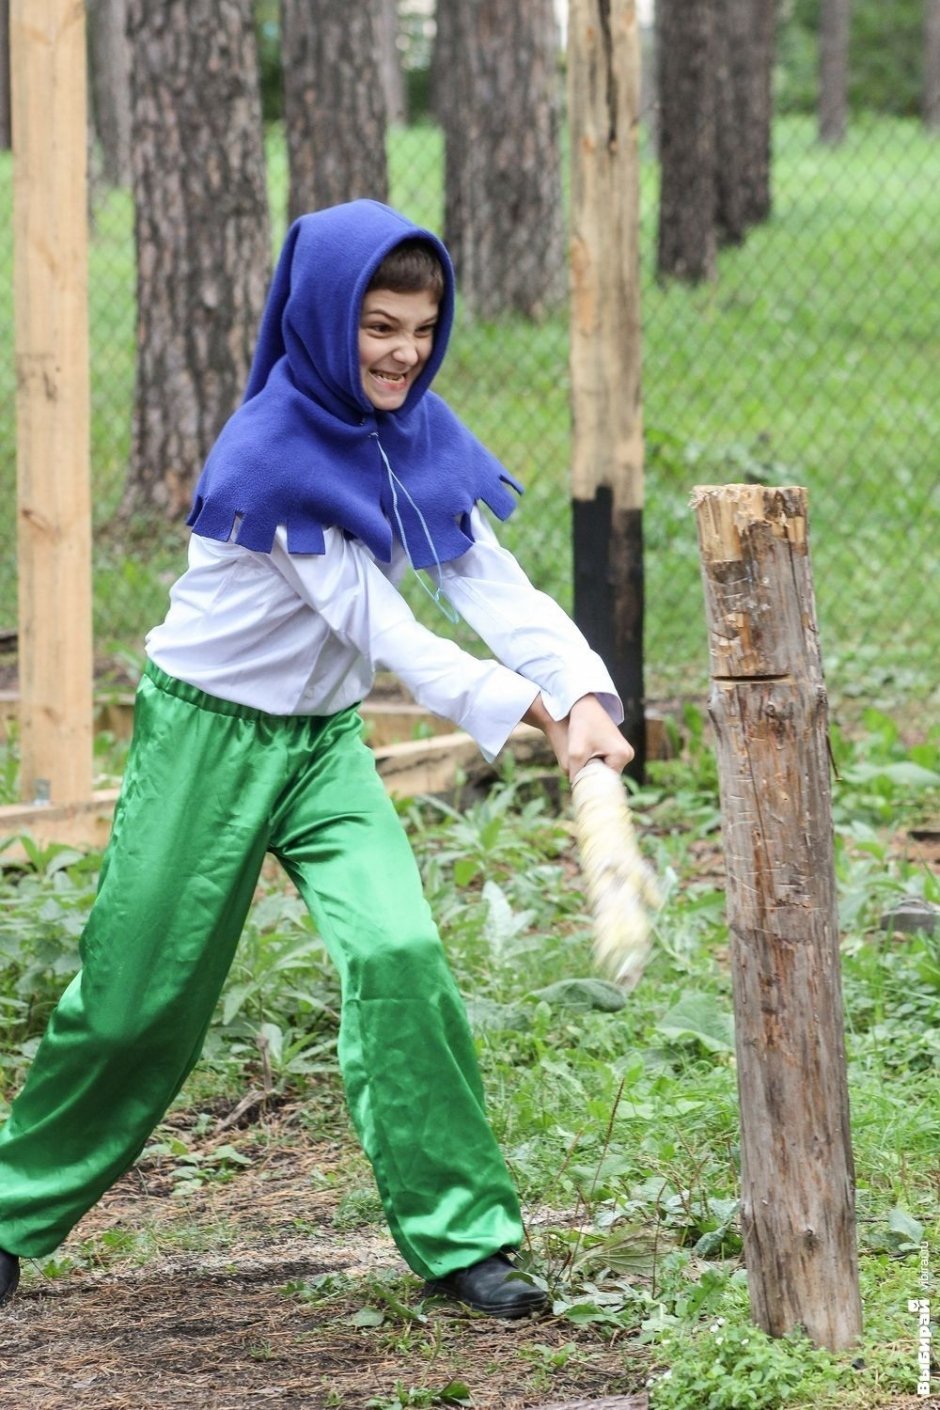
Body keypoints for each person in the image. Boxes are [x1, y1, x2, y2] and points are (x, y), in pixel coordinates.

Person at [0, 200, 632, 1319]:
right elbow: (383, 629)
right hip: (207, 736)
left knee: (399, 952)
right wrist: (530, 712)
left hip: (322, 746)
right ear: (322, 317)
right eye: (376, 327)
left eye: (421, 329)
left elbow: (488, 581)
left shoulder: (412, 430)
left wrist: (580, 689)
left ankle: (460, 1237)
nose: (401, 354)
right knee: (137, 1003)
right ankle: (9, 1210)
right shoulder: (271, 452)